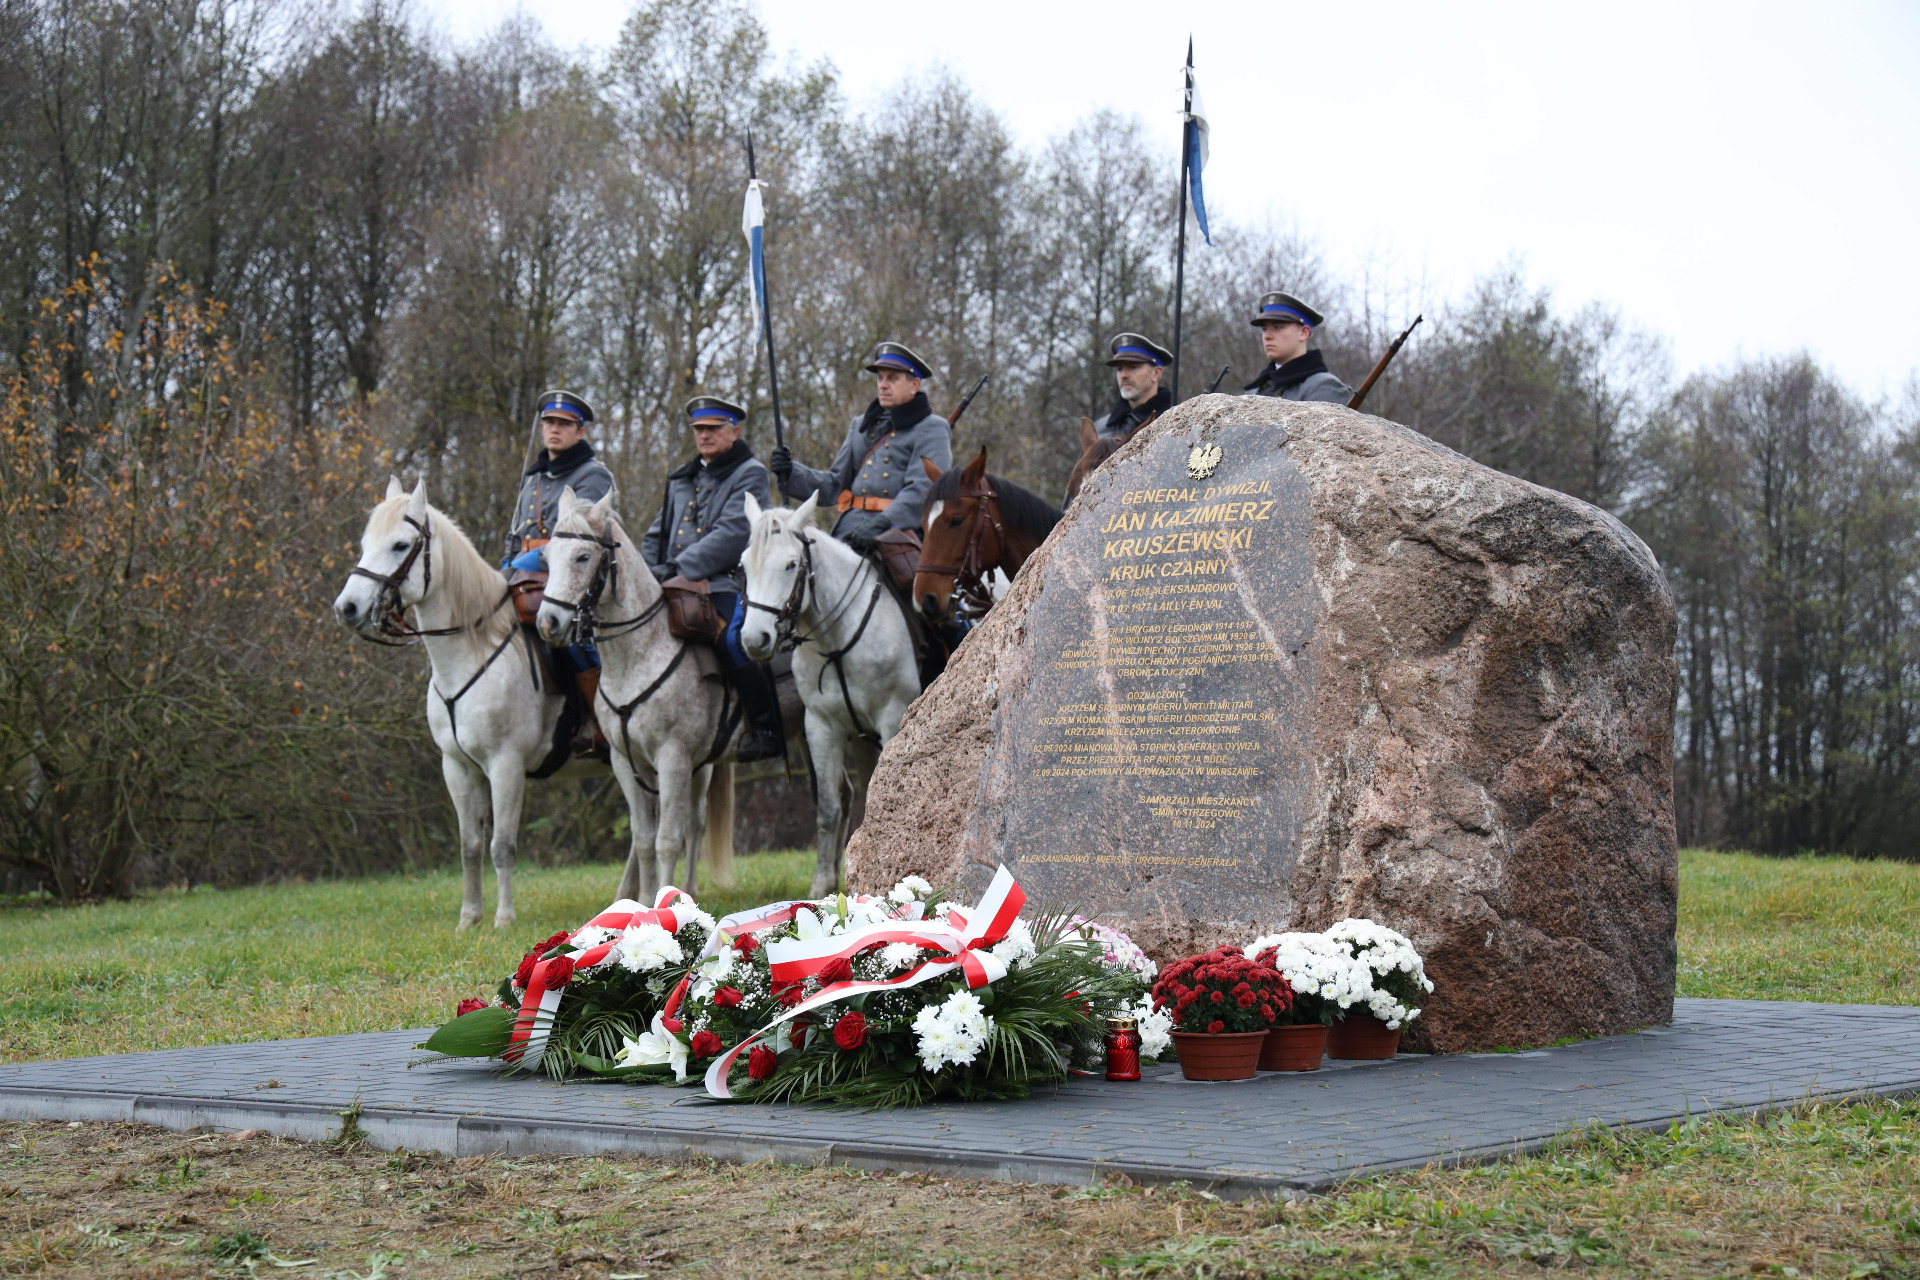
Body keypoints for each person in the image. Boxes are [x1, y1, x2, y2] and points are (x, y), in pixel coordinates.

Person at [641, 395, 784, 762]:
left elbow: (733, 533)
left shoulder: (750, 472)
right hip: (672, 579)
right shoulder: (683, 478)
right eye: (699, 429)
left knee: (733, 640)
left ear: (734, 432)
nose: (704, 435)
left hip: (724, 581)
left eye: (713, 429)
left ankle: (766, 728)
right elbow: (658, 532)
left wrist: (679, 567)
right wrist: (647, 572)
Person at [505, 390, 617, 752]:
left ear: (580, 432)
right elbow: (516, 536)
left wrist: (513, 569)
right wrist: (507, 566)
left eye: (564, 424)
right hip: (524, 576)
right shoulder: (533, 478)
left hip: (569, 579)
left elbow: (575, 545)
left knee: (571, 640)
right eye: (549, 422)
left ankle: (602, 722)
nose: (554, 429)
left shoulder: (593, 475)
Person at [767, 342, 953, 553]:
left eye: (892, 379)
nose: (883, 385)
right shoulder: (861, 425)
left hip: (899, 535)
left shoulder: (932, 428)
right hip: (849, 529)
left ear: (914, 385)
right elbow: (834, 484)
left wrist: (882, 523)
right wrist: (791, 472)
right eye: (880, 378)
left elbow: (923, 490)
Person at [1242, 292, 1354, 403]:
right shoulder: (1255, 389)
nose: (1267, 336)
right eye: (1264, 329)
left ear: (1304, 333)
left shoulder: (1324, 387)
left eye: (1278, 327)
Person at [1092, 332, 1174, 442]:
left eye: (1133, 367)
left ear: (1156, 373)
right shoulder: (1099, 429)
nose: (1123, 375)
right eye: (1119, 369)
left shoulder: (1175, 421)